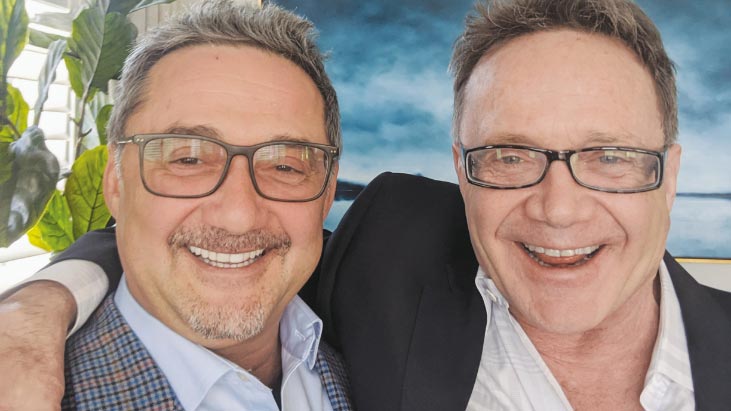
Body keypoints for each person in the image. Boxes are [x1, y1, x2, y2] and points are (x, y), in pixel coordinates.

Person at [2, 0, 730, 410]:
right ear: (460, 170)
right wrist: (35, 310)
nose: (560, 209)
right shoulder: (392, 246)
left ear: (666, 174)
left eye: (609, 157)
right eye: (508, 155)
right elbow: (200, 252)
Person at [1, 1, 354, 410]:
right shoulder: (32, 387)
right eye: (188, 159)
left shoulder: (365, 351)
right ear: (116, 182)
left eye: (285, 165)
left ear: (327, 191)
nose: (238, 215)